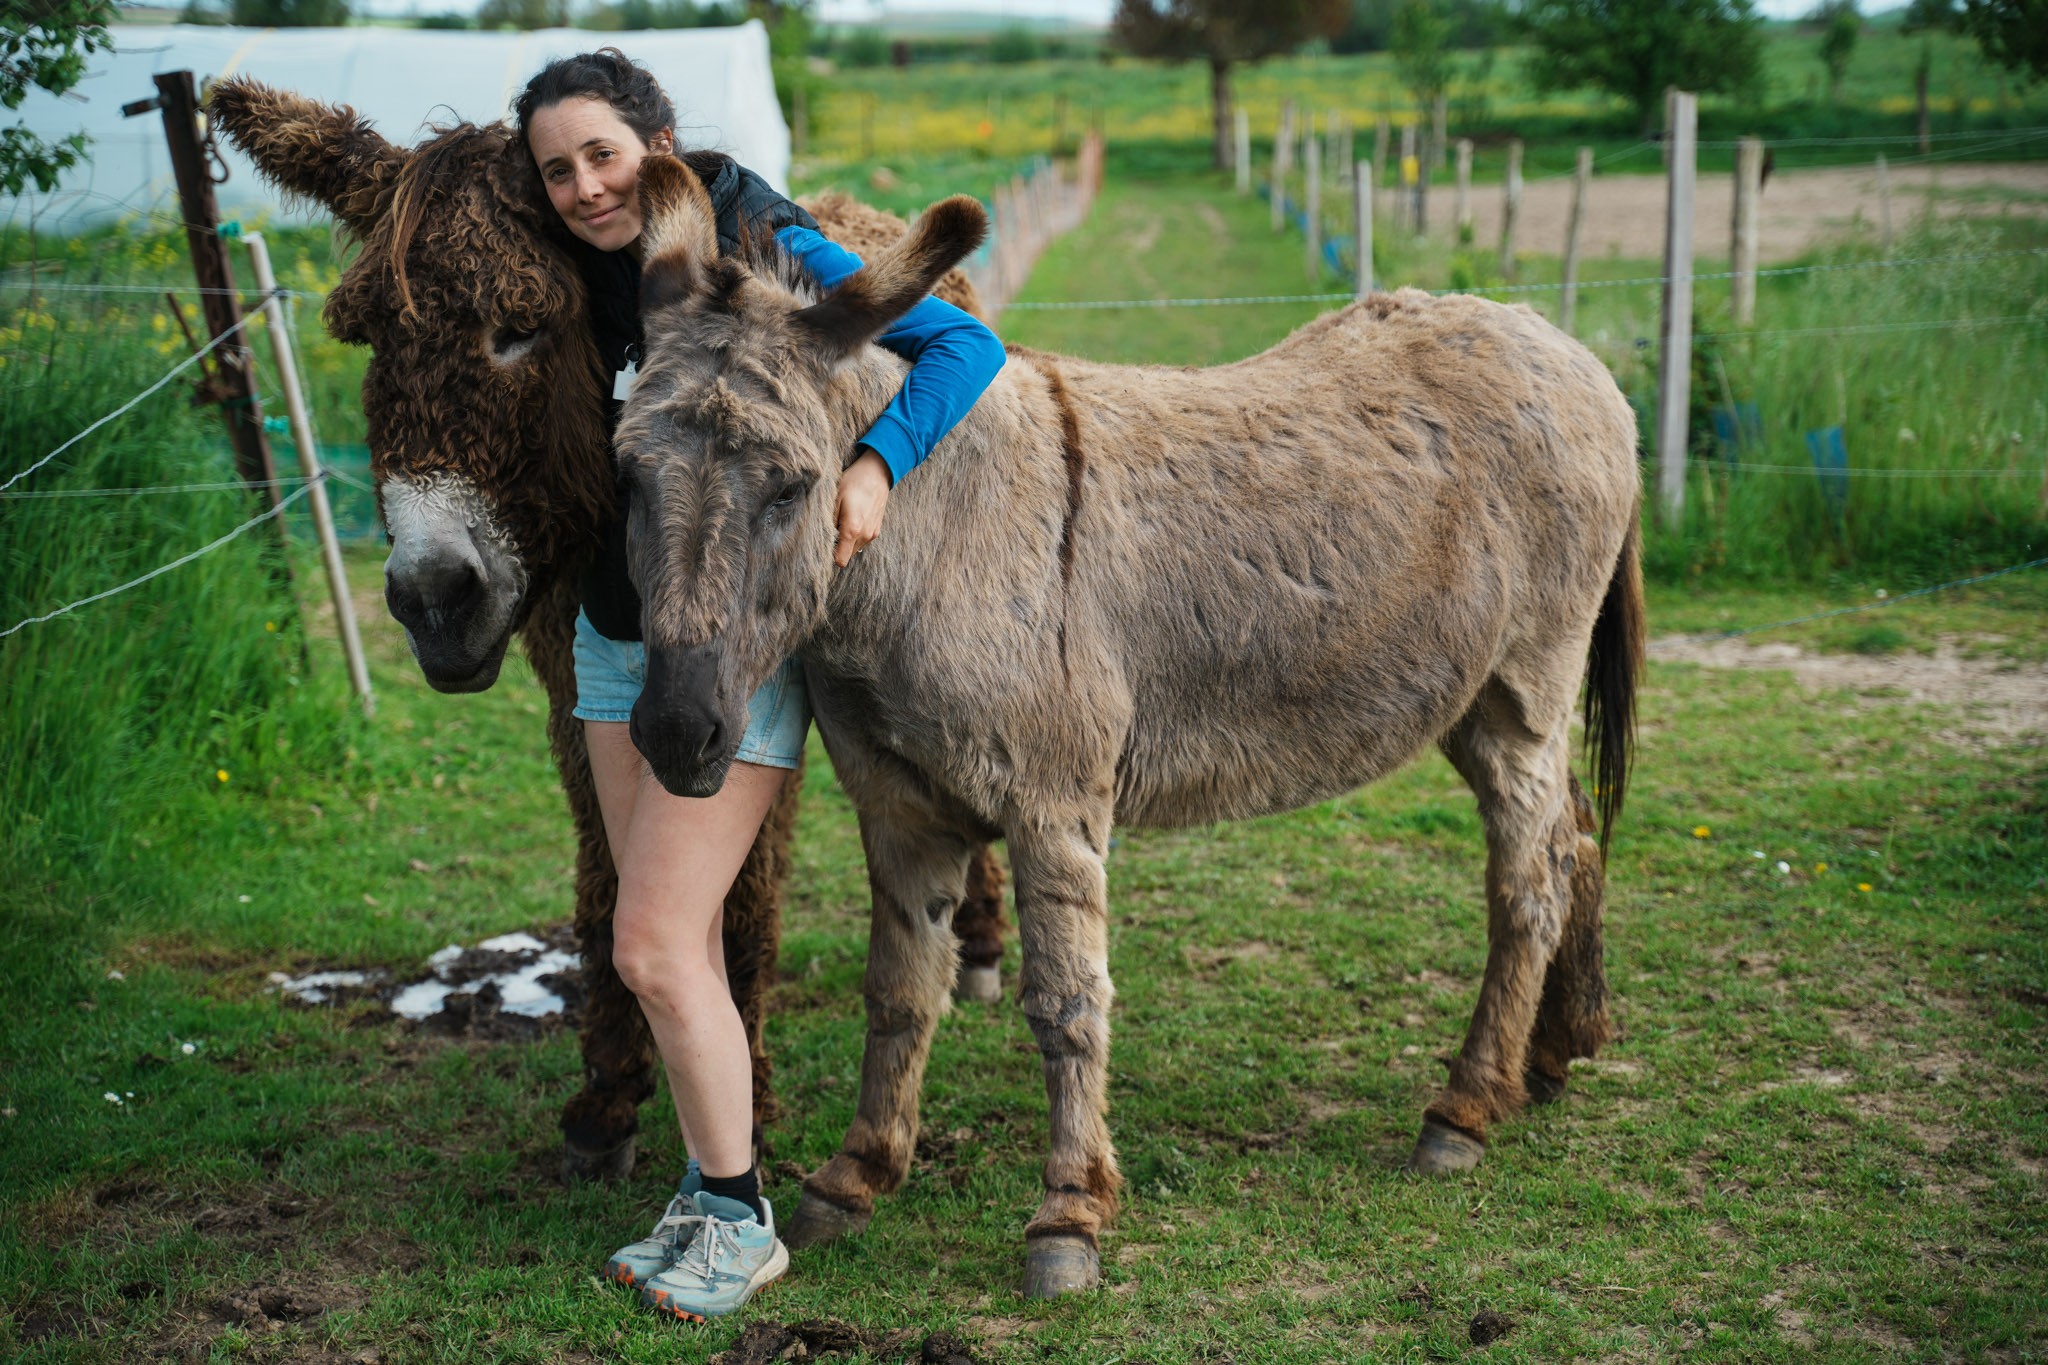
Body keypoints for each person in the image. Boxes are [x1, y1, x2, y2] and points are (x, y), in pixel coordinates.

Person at [514, 49, 1005, 1323]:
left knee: (655, 945)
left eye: (603, 155)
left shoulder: (763, 235)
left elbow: (957, 341)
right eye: (556, 168)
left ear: (659, 143)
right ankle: (702, 1188)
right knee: (659, 948)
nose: (580, 186)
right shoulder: (568, 258)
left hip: (727, 641)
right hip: (615, 640)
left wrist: (874, 468)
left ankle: (739, 1216)